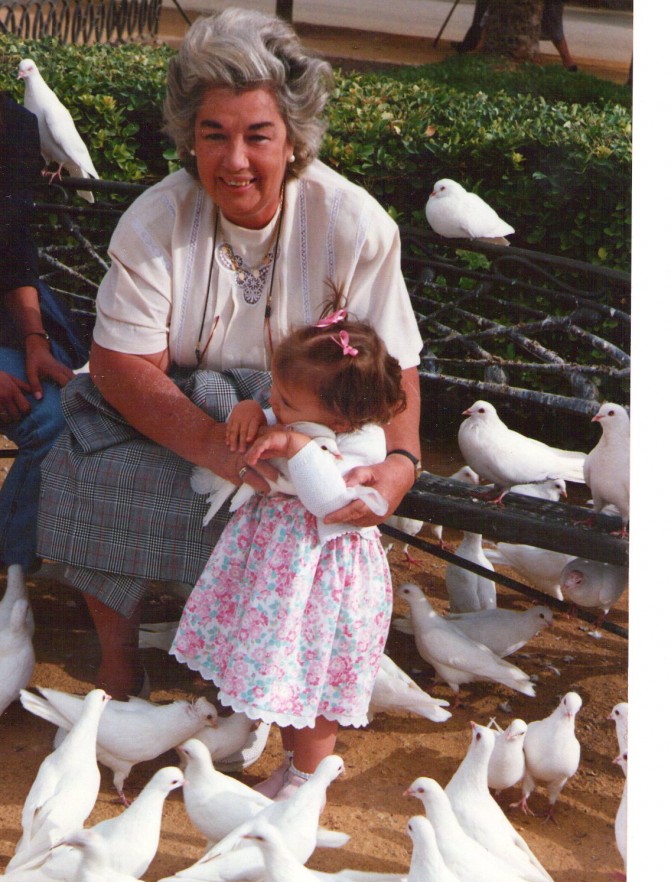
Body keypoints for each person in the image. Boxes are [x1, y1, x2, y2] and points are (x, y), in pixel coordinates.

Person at [36, 7, 423, 702]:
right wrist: (216, 447)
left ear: (294, 140)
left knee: (289, 511)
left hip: (306, 422)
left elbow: (393, 368)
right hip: (186, 410)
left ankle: (255, 676)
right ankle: (119, 660)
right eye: (213, 135)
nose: (234, 160)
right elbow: (122, 365)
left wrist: (401, 464)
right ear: (190, 139)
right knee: (86, 470)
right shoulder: (155, 220)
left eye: (257, 136)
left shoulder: (353, 223)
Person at [171, 310, 405, 796]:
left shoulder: (363, 442)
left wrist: (295, 445)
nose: (274, 404)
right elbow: (273, 418)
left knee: (313, 686)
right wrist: (251, 410)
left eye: (285, 400)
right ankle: (293, 767)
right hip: (285, 572)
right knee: (287, 676)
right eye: (274, 393)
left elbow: (328, 501)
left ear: (341, 418)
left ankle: (306, 787)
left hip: (324, 577)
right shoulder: (304, 415)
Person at [0, 91, 90, 573]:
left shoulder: (15, 123)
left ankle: (12, 571)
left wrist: (35, 339)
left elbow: (13, 245)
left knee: (61, 413)